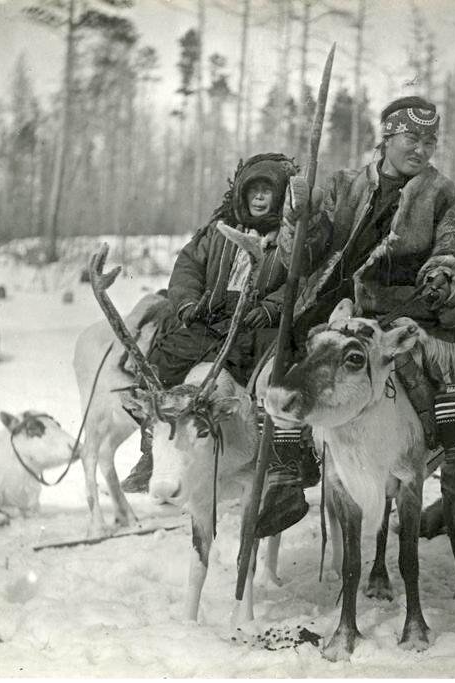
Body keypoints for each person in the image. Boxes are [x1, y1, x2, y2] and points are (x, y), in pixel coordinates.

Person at [268, 95, 455, 526]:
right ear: (387, 137)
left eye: (430, 141)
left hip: (409, 306)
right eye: (412, 138)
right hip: (337, 306)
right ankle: (285, 471)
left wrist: (444, 275)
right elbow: (307, 254)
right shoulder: (342, 186)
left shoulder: (444, 195)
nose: (421, 149)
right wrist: (301, 218)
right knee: (279, 362)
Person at [121, 154, 319, 534]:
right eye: (254, 191)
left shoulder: (290, 239)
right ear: (241, 194)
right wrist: (188, 303)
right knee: (161, 363)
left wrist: (272, 309)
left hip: (257, 326)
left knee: (274, 379)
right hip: (208, 321)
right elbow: (187, 269)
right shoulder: (216, 232)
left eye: (268, 192)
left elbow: (301, 281)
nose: (260, 199)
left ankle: (285, 458)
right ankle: (154, 447)